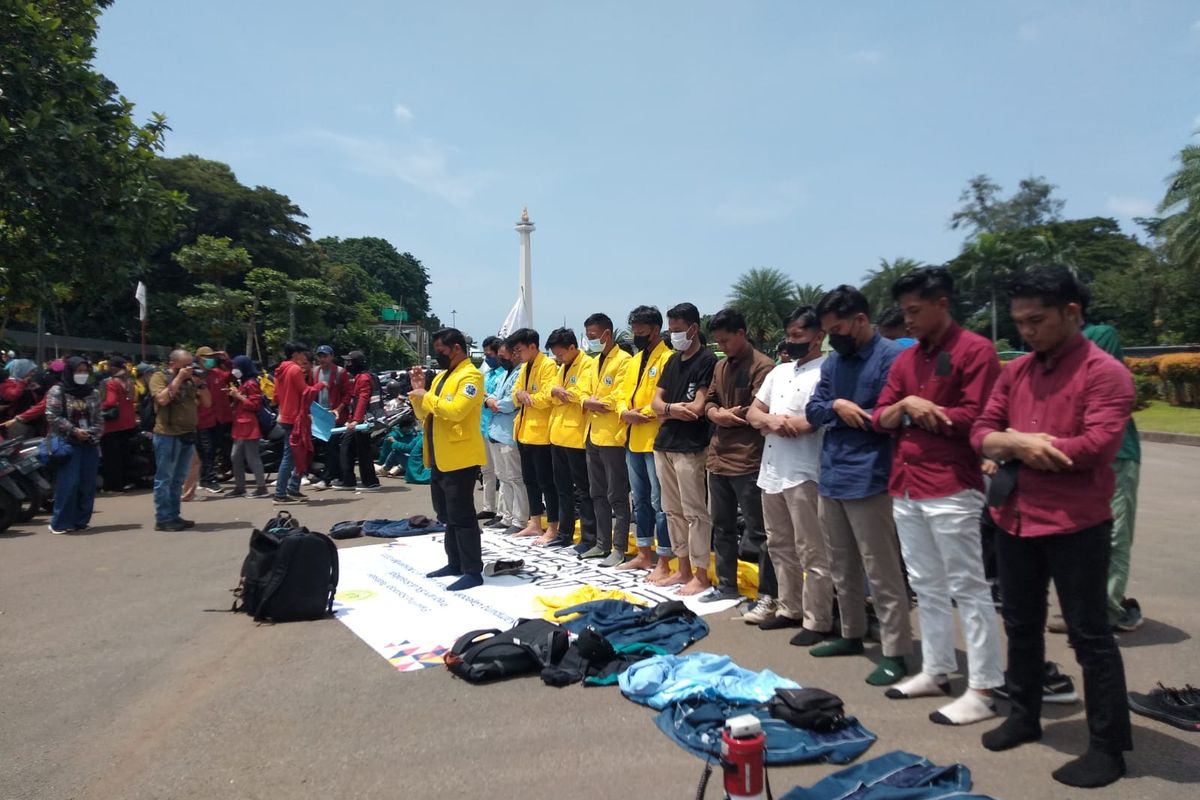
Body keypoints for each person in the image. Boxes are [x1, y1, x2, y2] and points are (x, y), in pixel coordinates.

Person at [971, 266, 1134, 789]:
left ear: (1072, 313)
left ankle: (1108, 747)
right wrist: (1018, 445)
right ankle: (1024, 715)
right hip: (1014, 519)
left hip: (1075, 524)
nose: (1027, 332)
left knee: (1090, 636)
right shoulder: (1016, 372)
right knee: (1020, 623)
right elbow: (982, 432)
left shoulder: (1105, 373)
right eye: (1020, 322)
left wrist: (1016, 444)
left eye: (1037, 320)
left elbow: (1095, 448)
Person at [873, 267, 1005, 725]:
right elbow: (880, 416)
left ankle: (984, 687)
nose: (907, 320)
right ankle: (936, 669)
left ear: (942, 304)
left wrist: (923, 412)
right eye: (904, 311)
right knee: (925, 583)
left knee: (968, 587)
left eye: (915, 311)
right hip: (906, 482)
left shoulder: (976, 351)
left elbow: (979, 418)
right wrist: (909, 408)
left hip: (952, 483)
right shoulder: (906, 361)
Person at [805, 285, 913, 686]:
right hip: (832, 472)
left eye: (837, 329)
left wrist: (859, 413)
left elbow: (893, 415)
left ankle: (896, 650)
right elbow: (814, 409)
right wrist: (836, 407)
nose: (834, 337)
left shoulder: (893, 358)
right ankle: (850, 634)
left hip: (872, 475)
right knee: (841, 564)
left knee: (881, 569)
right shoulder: (834, 364)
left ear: (861, 321)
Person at [747, 306, 834, 643]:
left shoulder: (826, 370)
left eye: (799, 335)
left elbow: (815, 419)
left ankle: (817, 619)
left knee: (812, 549)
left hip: (805, 471)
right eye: (789, 335)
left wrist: (781, 423)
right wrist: (770, 422)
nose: (791, 341)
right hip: (772, 470)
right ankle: (789, 608)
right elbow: (755, 411)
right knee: (779, 544)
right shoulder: (779, 372)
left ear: (818, 337)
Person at [701, 308, 775, 603]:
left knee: (760, 531)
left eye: (726, 341)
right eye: (718, 342)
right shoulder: (721, 366)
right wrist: (716, 413)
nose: (722, 347)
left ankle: (768, 593)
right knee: (722, 527)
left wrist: (732, 414)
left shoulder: (763, 367)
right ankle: (727, 585)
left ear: (741, 334)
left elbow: (761, 407)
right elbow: (709, 400)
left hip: (748, 459)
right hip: (718, 457)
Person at [1078, 313, 1143, 633]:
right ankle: (1096, 609)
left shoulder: (1098, 334)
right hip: (1085, 454)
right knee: (1091, 534)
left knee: (1112, 533)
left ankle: (1106, 608)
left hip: (1115, 452)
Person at [410, 328, 487, 592]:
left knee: (463, 516)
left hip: (461, 458)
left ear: (456, 348)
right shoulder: (443, 376)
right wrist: (418, 391)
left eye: (441, 351)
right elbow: (424, 414)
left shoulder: (471, 376)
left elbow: (456, 411)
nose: (438, 356)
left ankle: (472, 570)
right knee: (446, 515)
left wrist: (426, 397)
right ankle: (454, 563)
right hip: (439, 457)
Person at [650, 302, 717, 594]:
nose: (674, 335)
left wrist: (668, 409)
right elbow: (656, 404)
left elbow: (698, 407)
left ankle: (701, 574)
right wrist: (670, 409)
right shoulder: (672, 362)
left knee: (695, 513)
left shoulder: (706, 360)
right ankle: (683, 568)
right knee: (672, 511)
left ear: (693, 327)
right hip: (664, 443)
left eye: (678, 330)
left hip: (691, 446)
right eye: (671, 330)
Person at [618, 305, 674, 576]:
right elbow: (622, 394)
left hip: (655, 439)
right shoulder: (634, 360)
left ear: (656, 330)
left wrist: (647, 413)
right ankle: (643, 553)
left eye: (642, 331)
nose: (637, 335)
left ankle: (664, 557)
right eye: (634, 331)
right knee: (638, 500)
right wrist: (623, 411)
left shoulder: (668, 358)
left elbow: (668, 398)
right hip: (632, 439)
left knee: (659, 502)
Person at [580, 313, 633, 567]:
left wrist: (598, 403)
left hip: (612, 436)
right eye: (587, 336)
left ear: (606, 334)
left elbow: (621, 394)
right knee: (596, 493)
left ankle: (619, 547)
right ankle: (601, 544)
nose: (589, 341)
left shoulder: (624, 360)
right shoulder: (592, 362)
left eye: (592, 336)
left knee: (617, 495)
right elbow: (582, 392)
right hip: (591, 433)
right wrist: (585, 401)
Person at [546, 327, 599, 552]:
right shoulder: (563, 367)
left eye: (560, 354)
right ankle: (564, 532)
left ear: (572, 347)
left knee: (583, 490)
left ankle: (588, 537)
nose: (558, 359)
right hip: (557, 434)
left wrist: (560, 393)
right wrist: (557, 393)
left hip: (576, 436)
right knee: (562, 488)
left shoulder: (587, 364)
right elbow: (553, 393)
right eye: (556, 356)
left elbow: (579, 395)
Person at [508, 328, 560, 543]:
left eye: (519, 350)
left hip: (541, 433)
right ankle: (535, 522)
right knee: (529, 480)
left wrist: (527, 396)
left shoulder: (547, 365)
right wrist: (522, 396)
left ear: (532, 346)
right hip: (523, 431)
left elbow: (547, 396)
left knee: (547, 482)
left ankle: (552, 526)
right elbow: (515, 395)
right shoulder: (523, 367)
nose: (517, 355)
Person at [149, 349, 208, 531]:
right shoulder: (159, 377)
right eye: (185, 365)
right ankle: (163, 518)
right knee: (164, 478)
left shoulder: (190, 381)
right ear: (173, 364)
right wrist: (179, 378)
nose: (189, 369)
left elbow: (207, 403)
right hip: (166, 434)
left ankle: (174, 515)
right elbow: (162, 399)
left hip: (186, 434)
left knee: (178, 478)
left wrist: (201, 384)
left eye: (191, 365)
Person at [44, 357, 103, 534]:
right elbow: (52, 416)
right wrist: (74, 430)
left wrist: (92, 433)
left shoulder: (93, 392)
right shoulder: (58, 390)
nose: (82, 375)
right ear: (70, 371)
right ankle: (60, 522)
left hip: (89, 444)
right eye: (78, 371)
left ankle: (80, 520)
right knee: (69, 484)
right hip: (67, 443)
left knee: (88, 484)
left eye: (85, 371)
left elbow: (99, 418)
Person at [483, 341, 526, 535]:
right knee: (503, 477)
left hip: (509, 433)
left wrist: (493, 402)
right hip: (495, 431)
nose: (501, 359)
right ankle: (507, 516)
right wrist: (491, 401)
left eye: (503, 355)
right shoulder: (503, 374)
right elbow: (491, 396)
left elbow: (511, 403)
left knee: (516, 478)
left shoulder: (520, 373)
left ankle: (519, 519)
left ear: (514, 354)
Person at [336, 350, 382, 493]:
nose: (347, 364)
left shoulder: (363, 378)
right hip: (360, 420)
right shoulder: (363, 376)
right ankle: (348, 480)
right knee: (348, 447)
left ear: (356, 363)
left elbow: (362, 399)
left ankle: (370, 482)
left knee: (362, 450)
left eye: (350, 361)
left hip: (363, 421)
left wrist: (356, 420)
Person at [273, 342, 312, 504]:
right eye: (302, 353)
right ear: (295, 354)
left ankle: (293, 488)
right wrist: (318, 386)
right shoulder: (295, 370)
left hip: (285, 414)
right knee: (290, 456)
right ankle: (280, 493)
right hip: (295, 417)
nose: (304, 357)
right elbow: (305, 392)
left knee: (297, 455)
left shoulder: (280, 370)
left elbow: (275, 396)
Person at [311, 344, 352, 490]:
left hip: (334, 416)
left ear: (332, 356)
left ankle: (326, 478)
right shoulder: (314, 372)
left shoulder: (340, 372)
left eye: (325, 355)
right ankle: (335, 475)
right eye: (320, 355)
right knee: (326, 447)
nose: (322, 358)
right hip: (319, 415)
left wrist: (338, 409)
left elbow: (348, 395)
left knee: (331, 447)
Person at [226, 355, 268, 497]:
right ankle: (240, 486)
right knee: (235, 456)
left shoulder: (251, 384)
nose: (234, 370)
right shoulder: (243, 382)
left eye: (236, 367)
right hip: (240, 426)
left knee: (252, 457)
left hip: (249, 426)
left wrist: (238, 397)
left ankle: (261, 487)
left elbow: (255, 405)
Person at [193, 346, 231, 494]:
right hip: (201, 419)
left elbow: (231, 376)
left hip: (217, 419)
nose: (210, 360)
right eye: (207, 357)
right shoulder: (195, 376)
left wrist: (226, 359)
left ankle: (206, 478)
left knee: (213, 450)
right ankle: (208, 479)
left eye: (212, 357)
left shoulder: (216, 373)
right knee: (206, 450)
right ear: (199, 358)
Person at [99, 357, 138, 492]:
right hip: (128, 422)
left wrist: (99, 406)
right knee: (124, 455)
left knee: (111, 457)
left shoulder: (111, 383)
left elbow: (111, 401)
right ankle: (126, 481)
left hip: (113, 424)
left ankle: (113, 485)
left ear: (113, 368)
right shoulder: (130, 382)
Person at [477, 336, 504, 523]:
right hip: (482, 427)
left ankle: (503, 512)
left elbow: (496, 401)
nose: (487, 358)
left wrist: (486, 397)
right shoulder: (487, 374)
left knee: (503, 474)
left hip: (498, 429)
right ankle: (489, 507)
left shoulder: (504, 374)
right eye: (485, 354)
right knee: (486, 471)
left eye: (490, 354)